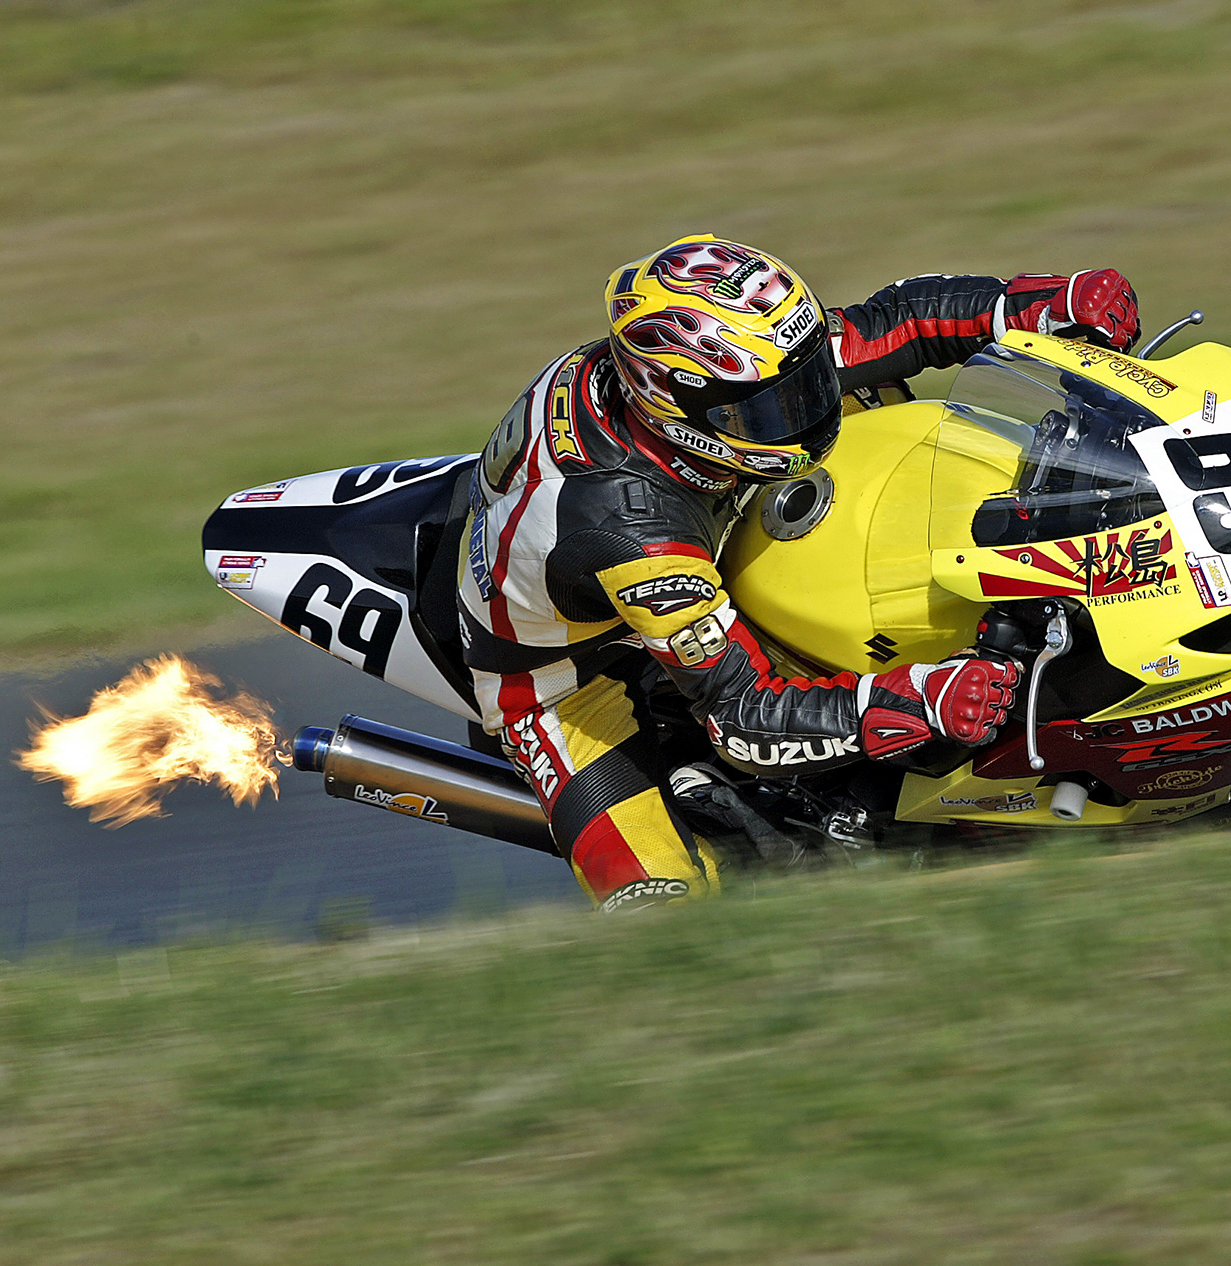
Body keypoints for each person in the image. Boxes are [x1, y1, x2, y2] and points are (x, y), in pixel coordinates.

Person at [459, 235, 1141, 910]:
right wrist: (917, 700)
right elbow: (740, 715)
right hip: (573, 680)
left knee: (872, 397)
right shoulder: (630, 529)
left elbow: (896, 324)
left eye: (807, 378)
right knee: (668, 911)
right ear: (680, 406)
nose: (808, 409)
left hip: (705, 525)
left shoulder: (748, 367)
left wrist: (1045, 304)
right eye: (772, 408)